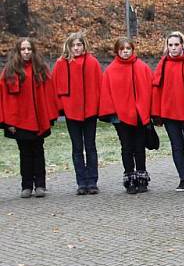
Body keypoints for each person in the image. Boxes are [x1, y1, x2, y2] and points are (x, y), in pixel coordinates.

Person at [1, 38, 59, 198]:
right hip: (19, 120)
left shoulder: (41, 69)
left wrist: (49, 116)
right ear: (18, 51)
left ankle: (40, 185)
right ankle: (26, 185)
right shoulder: (10, 71)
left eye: (29, 49)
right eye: (23, 49)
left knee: (38, 151)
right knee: (24, 153)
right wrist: (8, 121)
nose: (26, 52)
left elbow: (49, 93)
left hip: (39, 119)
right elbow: (5, 97)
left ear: (33, 51)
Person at [151, 31, 184, 192]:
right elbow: (157, 89)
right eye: (170, 45)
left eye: (176, 45)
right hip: (170, 113)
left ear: (183, 45)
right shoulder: (163, 64)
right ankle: (183, 178)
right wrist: (158, 113)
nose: (173, 48)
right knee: (176, 146)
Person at [99, 38, 154, 194]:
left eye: (128, 48)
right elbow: (107, 94)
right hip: (120, 117)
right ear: (117, 51)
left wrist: (149, 112)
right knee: (127, 147)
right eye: (122, 49)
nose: (125, 51)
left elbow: (149, 90)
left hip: (139, 115)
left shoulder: (142, 67)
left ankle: (142, 177)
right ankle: (129, 177)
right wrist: (112, 113)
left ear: (132, 49)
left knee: (139, 147)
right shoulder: (111, 70)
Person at [52, 32, 103, 195]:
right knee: (77, 148)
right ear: (69, 46)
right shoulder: (61, 64)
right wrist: (61, 108)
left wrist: (99, 107)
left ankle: (92, 181)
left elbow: (99, 86)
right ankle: (81, 182)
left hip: (90, 111)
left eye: (79, 45)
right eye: (73, 45)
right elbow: (55, 87)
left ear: (84, 45)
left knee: (91, 147)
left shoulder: (92, 63)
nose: (76, 48)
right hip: (71, 111)